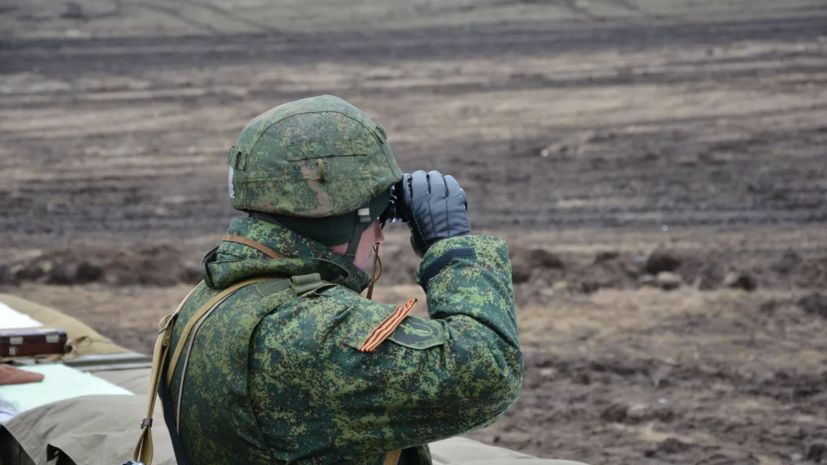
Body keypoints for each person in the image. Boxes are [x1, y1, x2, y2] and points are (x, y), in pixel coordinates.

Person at [155, 95, 523, 465]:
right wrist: (451, 248)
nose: (380, 236)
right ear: (341, 223)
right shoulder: (308, 332)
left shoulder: (212, 298)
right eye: (376, 219)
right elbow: (488, 371)